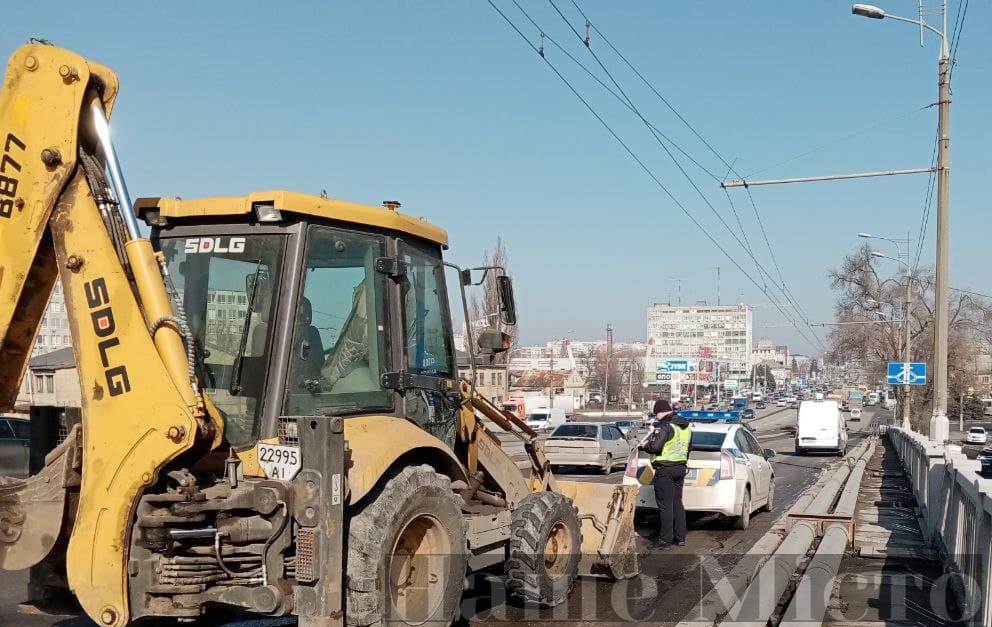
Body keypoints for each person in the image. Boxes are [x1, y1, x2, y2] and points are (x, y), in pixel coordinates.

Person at [641, 399, 691, 548]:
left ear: (661, 412)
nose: (656, 417)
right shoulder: (685, 426)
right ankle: (680, 537)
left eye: (656, 414)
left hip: (665, 470)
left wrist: (645, 445)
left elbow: (655, 447)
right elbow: (689, 447)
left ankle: (665, 539)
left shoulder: (665, 425)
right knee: (677, 503)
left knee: (665, 506)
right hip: (680, 468)